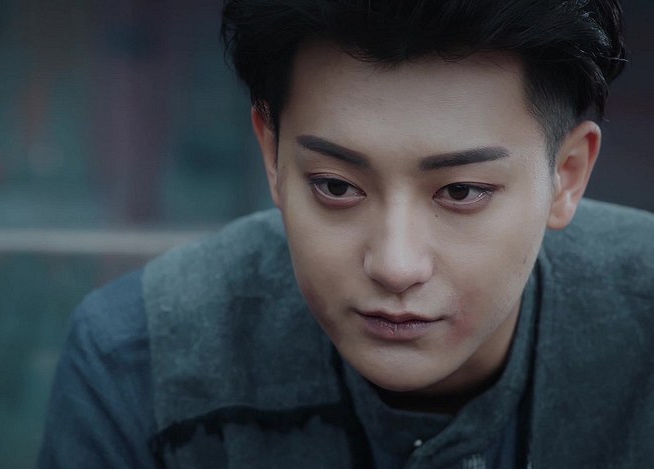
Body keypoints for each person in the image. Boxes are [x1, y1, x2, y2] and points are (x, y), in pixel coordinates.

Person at [38, 0, 654, 467]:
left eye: (462, 192)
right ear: (272, 154)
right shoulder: (141, 361)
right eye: (336, 186)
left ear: (567, 176)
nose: (395, 264)